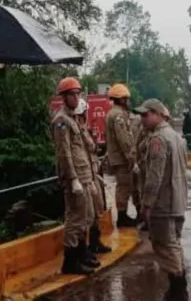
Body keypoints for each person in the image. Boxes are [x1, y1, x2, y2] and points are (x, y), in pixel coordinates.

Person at [135, 98, 189, 301]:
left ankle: (178, 289)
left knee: (165, 245)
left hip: (164, 204)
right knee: (174, 244)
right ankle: (177, 288)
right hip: (177, 201)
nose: (142, 119)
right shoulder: (176, 137)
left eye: (146, 115)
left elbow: (154, 176)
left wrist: (147, 204)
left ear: (158, 115)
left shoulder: (158, 139)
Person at [52, 77, 100, 275]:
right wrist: (72, 179)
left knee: (86, 216)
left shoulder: (73, 119)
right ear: (64, 97)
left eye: (78, 93)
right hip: (75, 177)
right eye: (72, 94)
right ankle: (70, 262)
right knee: (75, 219)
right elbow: (65, 152)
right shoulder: (61, 121)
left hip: (84, 174)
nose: (76, 97)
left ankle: (81, 254)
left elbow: (84, 149)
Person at [73, 98, 112, 254]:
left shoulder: (83, 129)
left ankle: (95, 242)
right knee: (85, 214)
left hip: (92, 173)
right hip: (84, 176)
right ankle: (84, 249)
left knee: (97, 209)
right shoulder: (75, 130)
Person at [105, 83, 138, 228]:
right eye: (126, 98)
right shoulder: (118, 115)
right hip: (122, 158)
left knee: (123, 186)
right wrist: (130, 157)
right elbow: (123, 139)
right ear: (122, 99)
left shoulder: (112, 113)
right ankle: (122, 217)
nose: (128, 101)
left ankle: (123, 215)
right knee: (124, 186)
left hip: (117, 157)